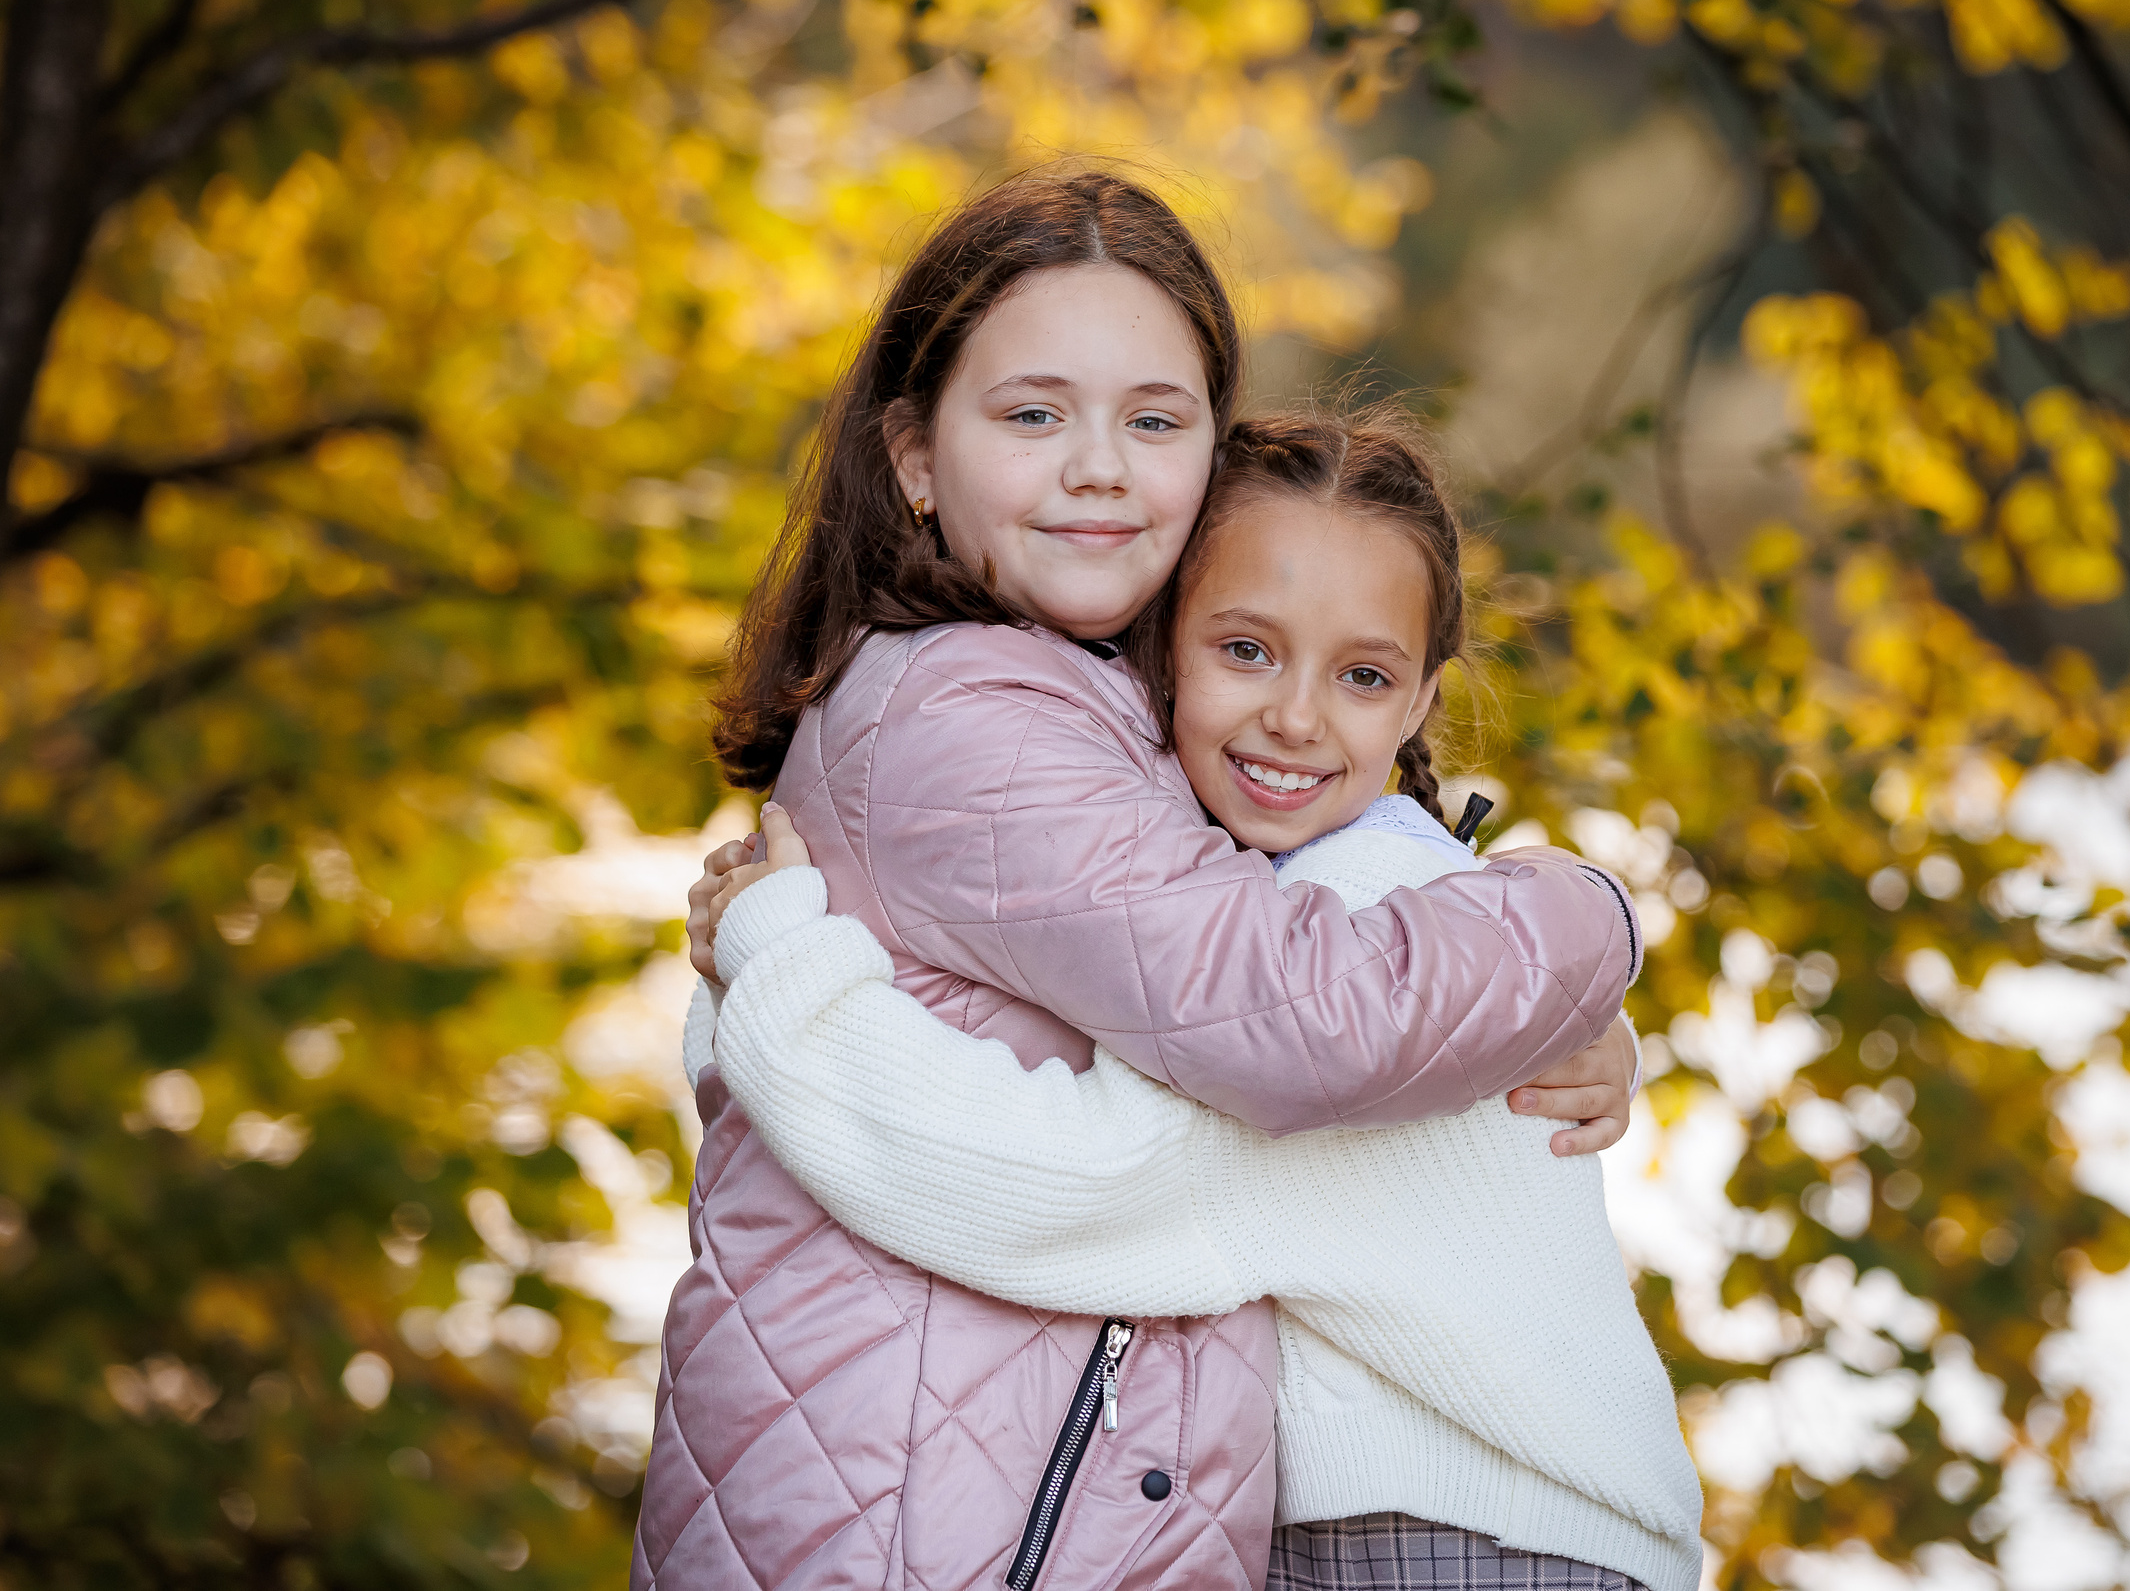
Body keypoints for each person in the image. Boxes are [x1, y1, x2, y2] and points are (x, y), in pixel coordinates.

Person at [638, 172, 1643, 1591]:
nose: (1101, 466)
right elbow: (1298, 1023)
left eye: (1156, 421)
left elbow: (1302, 984)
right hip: (926, 1523)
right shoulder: (975, 712)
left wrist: (1536, 1024)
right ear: (916, 456)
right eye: (1033, 413)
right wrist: (1586, 924)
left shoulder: (1120, 718)